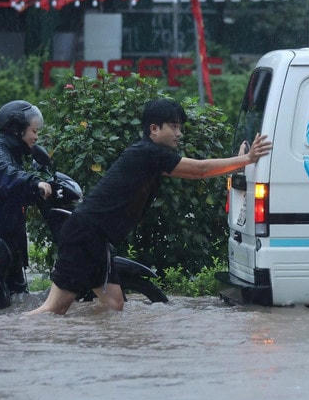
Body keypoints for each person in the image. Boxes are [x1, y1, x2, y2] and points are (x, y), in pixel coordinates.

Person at [27, 97, 271, 316]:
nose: (179, 133)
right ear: (154, 129)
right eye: (173, 127)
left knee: (114, 304)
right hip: (84, 235)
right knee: (53, 310)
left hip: (96, 239)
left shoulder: (151, 154)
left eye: (180, 127)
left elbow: (202, 169)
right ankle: (12, 336)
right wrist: (247, 159)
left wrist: (240, 162)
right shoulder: (149, 153)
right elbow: (200, 170)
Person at [0, 100, 53, 295]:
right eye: (34, 131)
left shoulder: (14, 153)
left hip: (6, 240)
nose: (36, 137)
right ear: (17, 130)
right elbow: (8, 177)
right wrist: (35, 184)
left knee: (18, 298)